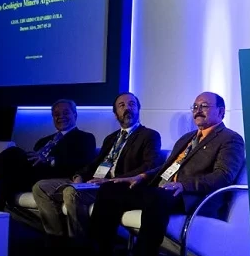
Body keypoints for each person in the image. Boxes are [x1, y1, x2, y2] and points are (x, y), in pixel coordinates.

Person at [88, 91, 245, 256]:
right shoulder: (187, 138)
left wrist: (183, 185)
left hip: (192, 197)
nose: (198, 110)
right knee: (109, 190)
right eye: (195, 107)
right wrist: (141, 176)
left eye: (204, 106)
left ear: (221, 112)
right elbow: (166, 168)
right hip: (162, 190)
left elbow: (223, 176)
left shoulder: (230, 139)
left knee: (157, 198)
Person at [32, 92, 163, 240]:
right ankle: (57, 240)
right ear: (116, 114)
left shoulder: (149, 135)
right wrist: (79, 175)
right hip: (93, 182)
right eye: (121, 105)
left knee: (71, 193)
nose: (127, 108)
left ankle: (79, 245)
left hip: (115, 186)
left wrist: (111, 181)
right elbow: (94, 163)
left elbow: (150, 165)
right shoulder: (111, 138)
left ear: (138, 109)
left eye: (132, 104)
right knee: (41, 187)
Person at [0, 99, 96, 205]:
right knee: (3, 172)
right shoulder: (43, 140)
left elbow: (83, 162)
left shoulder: (85, 137)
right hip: (28, 174)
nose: (60, 117)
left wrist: (50, 160)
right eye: (56, 114)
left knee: (13, 152)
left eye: (66, 113)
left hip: (52, 176)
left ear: (75, 115)